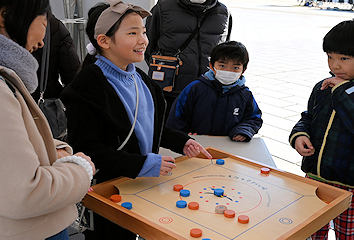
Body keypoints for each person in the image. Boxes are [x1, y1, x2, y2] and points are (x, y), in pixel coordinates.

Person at [60, 1, 212, 239]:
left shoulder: (141, 78)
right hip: (109, 191)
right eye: (132, 33)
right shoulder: (84, 88)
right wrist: (141, 164)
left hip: (142, 186)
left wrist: (182, 142)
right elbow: (87, 149)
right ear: (104, 41)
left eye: (143, 31)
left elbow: (148, 127)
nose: (144, 39)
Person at [0, 0, 95, 240]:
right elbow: (24, 193)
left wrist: (56, 150)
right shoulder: (2, 89)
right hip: (32, 230)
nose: (43, 40)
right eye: (43, 22)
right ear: (4, 16)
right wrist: (81, 170)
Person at [289, 19, 354, 239]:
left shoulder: (344, 90)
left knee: (349, 235)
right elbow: (308, 117)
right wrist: (299, 135)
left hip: (351, 187)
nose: (334, 65)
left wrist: (342, 92)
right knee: (311, 229)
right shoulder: (323, 87)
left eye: (344, 58)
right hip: (315, 178)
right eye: (330, 56)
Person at [145, 0, 232, 119]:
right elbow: (148, 46)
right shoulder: (163, 8)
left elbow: (224, 50)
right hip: (170, 90)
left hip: (207, 89)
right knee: (168, 131)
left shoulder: (223, 12)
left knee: (201, 133)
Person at [167, 41, 262, 142]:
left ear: (243, 70)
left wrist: (243, 131)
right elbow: (177, 115)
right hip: (195, 143)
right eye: (222, 66)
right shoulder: (195, 88)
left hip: (229, 145)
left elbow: (253, 118)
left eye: (235, 68)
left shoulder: (245, 94)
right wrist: (182, 136)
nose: (228, 71)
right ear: (211, 66)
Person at [31, 13, 80, 102]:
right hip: (46, 104)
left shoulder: (5, 26)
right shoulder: (53, 25)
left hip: (10, 101)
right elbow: (73, 77)